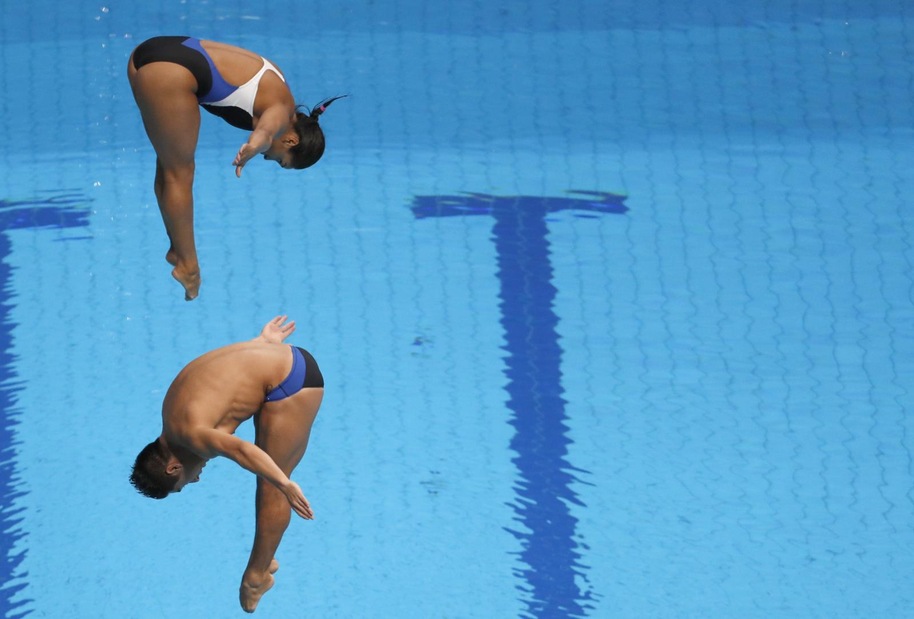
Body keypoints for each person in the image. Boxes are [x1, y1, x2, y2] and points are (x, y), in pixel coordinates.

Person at [130, 315, 324, 613]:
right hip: (277, 357)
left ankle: (255, 578)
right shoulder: (170, 414)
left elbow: (242, 451)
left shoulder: (193, 436)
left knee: (272, 486)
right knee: (271, 476)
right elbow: (220, 373)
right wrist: (262, 344)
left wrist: (284, 482)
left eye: (185, 484)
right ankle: (264, 555)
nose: (196, 480)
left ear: (173, 468)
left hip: (295, 382)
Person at [127, 36, 345, 300]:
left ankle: (178, 248)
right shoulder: (280, 112)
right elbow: (265, 131)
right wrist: (254, 146)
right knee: (179, 174)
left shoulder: (280, 86)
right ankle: (189, 268)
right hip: (169, 73)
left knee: (169, 164)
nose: (269, 160)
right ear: (291, 140)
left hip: (148, 53)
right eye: (280, 160)